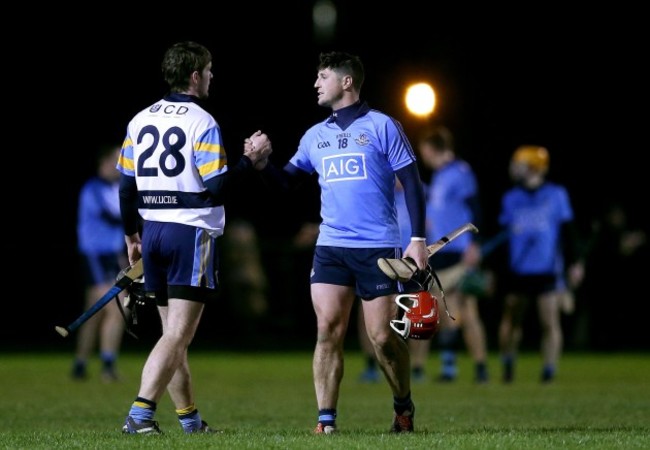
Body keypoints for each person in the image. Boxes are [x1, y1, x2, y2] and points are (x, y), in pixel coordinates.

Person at [252, 51, 429, 434]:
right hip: (331, 246)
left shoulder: (383, 126)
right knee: (327, 328)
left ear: (346, 82)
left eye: (322, 76)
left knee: (382, 337)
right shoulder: (315, 136)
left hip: (378, 248)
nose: (316, 83)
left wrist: (416, 240)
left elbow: (412, 182)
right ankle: (326, 421)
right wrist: (264, 165)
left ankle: (403, 405)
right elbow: (287, 184)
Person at [116, 41, 272, 435]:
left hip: (152, 233)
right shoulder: (202, 121)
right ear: (194, 75)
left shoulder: (139, 119)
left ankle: (190, 421)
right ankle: (139, 415)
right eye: (209, 69)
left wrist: (131, 236)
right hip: (190, 233)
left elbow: (124, 187)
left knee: (173, 336)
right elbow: (217, 188)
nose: (212, 76)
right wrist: (249, 162)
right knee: (179, 336)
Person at [497, 145, 585, 384]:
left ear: (534, 167)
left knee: (549, 322)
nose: (514, 169)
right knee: (511, 321)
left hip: (547, 269)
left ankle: (549, 370)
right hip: (518, 269)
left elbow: (569, 232)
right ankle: (508, 364)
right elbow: (502, 235)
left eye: (520, 164)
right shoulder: (510, 198)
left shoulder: (557, 194)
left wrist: (576, 263)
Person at [411, 125, 489, 384]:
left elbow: (475, 207)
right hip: (441, 251)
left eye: (424, 151)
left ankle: (474, 367)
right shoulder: (441, 177)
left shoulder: (459, 172)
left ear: (433, 150)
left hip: (458, 250)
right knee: (448, 309)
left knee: (463, 309)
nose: (424, 156)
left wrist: (474, 244)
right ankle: (453, 366)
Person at [72, 143, 129, 382]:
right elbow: (113, 215)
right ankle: (107, 366)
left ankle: (81, 363)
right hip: (95, 255)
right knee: (115, 306)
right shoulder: (93, 189)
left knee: (95, 312)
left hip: (113, 255)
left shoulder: (119, 188)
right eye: (117, 160)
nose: (121, 166)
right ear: (104, 162)